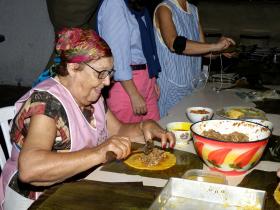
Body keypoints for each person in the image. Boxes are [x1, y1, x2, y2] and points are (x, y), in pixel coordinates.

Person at [0, 28, 175, 210]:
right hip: (35, 201)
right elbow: (30, 170)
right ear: (73, 68)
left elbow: (119, 131)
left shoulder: (93, 97)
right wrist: (99, 152)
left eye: (109, 73)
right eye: (100, 73)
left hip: (73, 188)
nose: (107, 82)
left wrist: (143, 127)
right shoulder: (47, 104)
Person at [153, 0, 236, 117]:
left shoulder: (193, 10)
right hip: (172, 86)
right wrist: (214, 46)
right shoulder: (165, 8)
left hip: (192, 85)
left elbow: (205, 52)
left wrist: (221, 50)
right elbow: (173, 43)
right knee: (172, 128)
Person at [97, 0, 162, 123]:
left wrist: (152, 78)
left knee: (155, 133)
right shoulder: (114, 4)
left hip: (146, 76)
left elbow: (145, 47)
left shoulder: (137, 5)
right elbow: (116, 54)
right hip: (126, 83)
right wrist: (133, 94)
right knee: (129, 139)